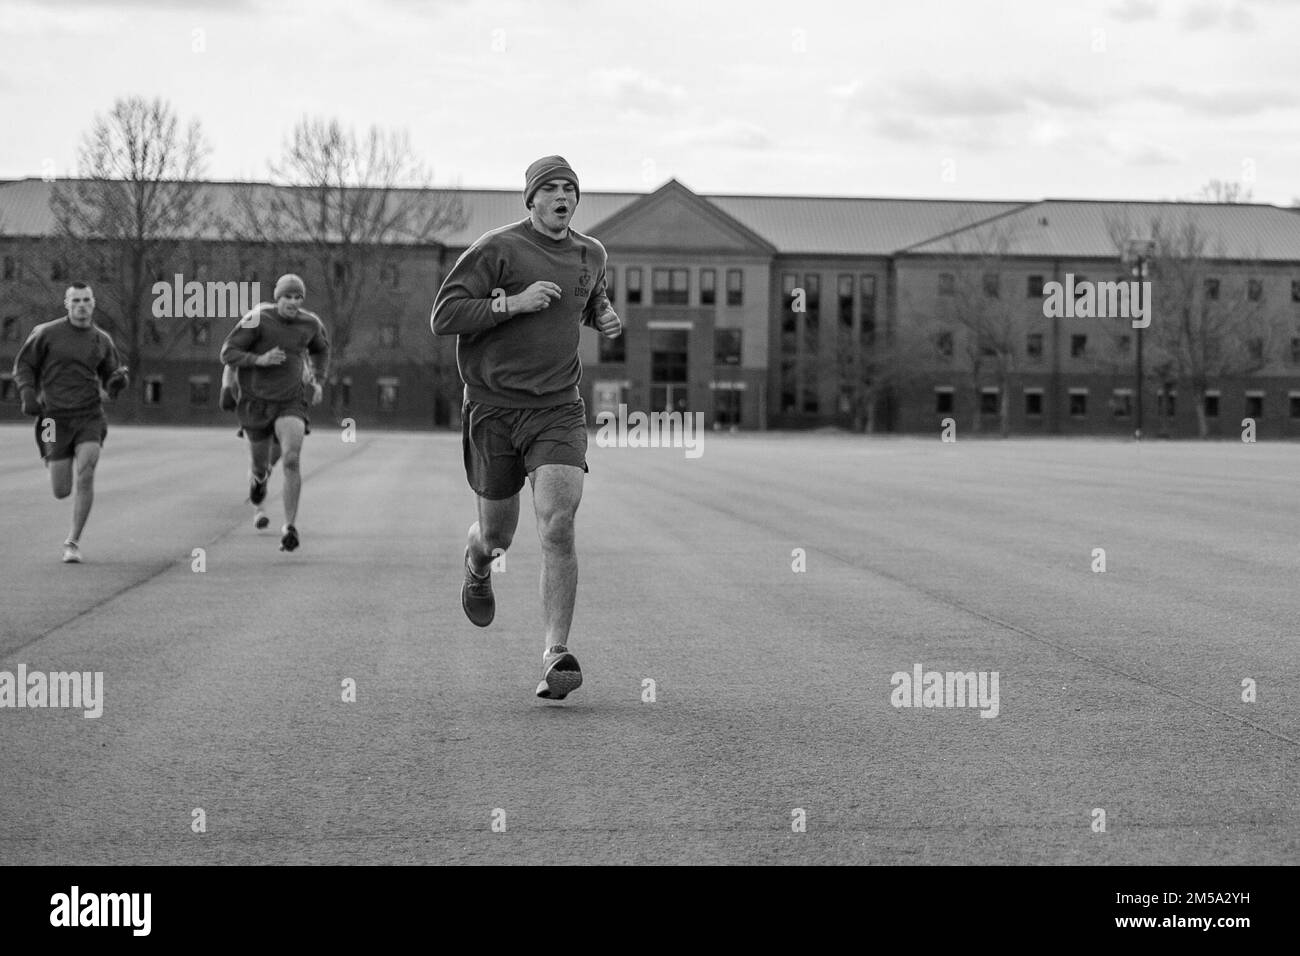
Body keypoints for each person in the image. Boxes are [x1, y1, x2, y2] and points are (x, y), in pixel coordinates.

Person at [431, 155, 622, 700]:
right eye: (552, 189)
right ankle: (476, 561)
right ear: (532, 199)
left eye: (571, 189)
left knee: (558, 524)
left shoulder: (592, 253)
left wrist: (601, 315)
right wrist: (512, 303)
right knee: (497, 535)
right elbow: (444, 316)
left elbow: (587, 295)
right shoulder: (497, 248)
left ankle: (555, 654)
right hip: (492, 409)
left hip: (558, 408)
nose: (564, 197)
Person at [12, 282, 128, 563]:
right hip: (52, 418)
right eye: (75, 300)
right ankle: (53, 457)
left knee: (86, 472)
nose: (81, 305)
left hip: (89, 415)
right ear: (67, 304)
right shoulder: (47, 333)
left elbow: (112, 375)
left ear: (93, 303)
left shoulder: (102, 340)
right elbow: (24, 365)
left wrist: (116, 383)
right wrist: (28, 393)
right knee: (61, 490)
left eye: (86, 300)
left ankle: (72, 541)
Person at [218, 274, 329, 552]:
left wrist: (317, 380)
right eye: (287, 296)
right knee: (261, 465)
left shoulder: (310, 323)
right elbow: (228, 353)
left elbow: (321, 350)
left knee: (291, 458)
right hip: (255, 402)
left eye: (297, 297)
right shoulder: (258, 318)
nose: (292, 302)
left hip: (291, 402)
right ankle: (258, 481)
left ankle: (289, 527)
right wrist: (259, 360)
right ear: (277, 297)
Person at [219, 351, 318, 531]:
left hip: (286, 408)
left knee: (278, 460)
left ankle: (286, 522)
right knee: (259, 465)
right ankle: (259, 511)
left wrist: (310, 380)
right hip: (255, 406)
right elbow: (231, 364)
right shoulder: (252, 330)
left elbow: (304, 367)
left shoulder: (293, 333)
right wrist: (227, 388)